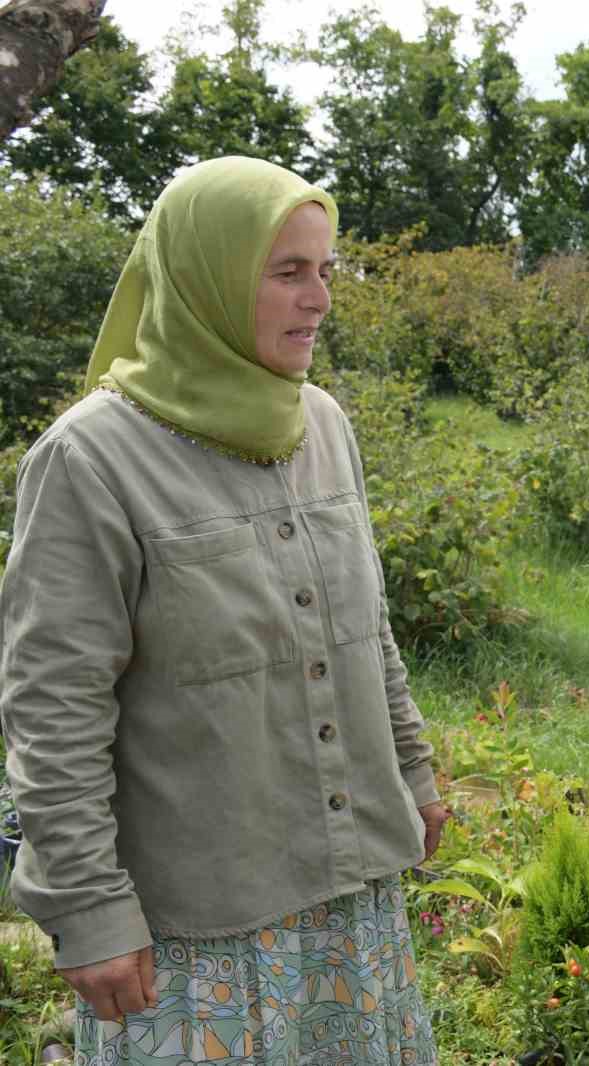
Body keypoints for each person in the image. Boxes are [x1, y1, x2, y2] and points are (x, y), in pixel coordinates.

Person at [0, 157, 446, 1066]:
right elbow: (53, 705)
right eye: (286, 273)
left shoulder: (319, 422)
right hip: (194, 934)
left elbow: (366, 628)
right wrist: (88, 907)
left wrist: (412, 765)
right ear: (205, 277)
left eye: (325, 270)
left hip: (346, 895)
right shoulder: (90, 461)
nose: (318, 298)